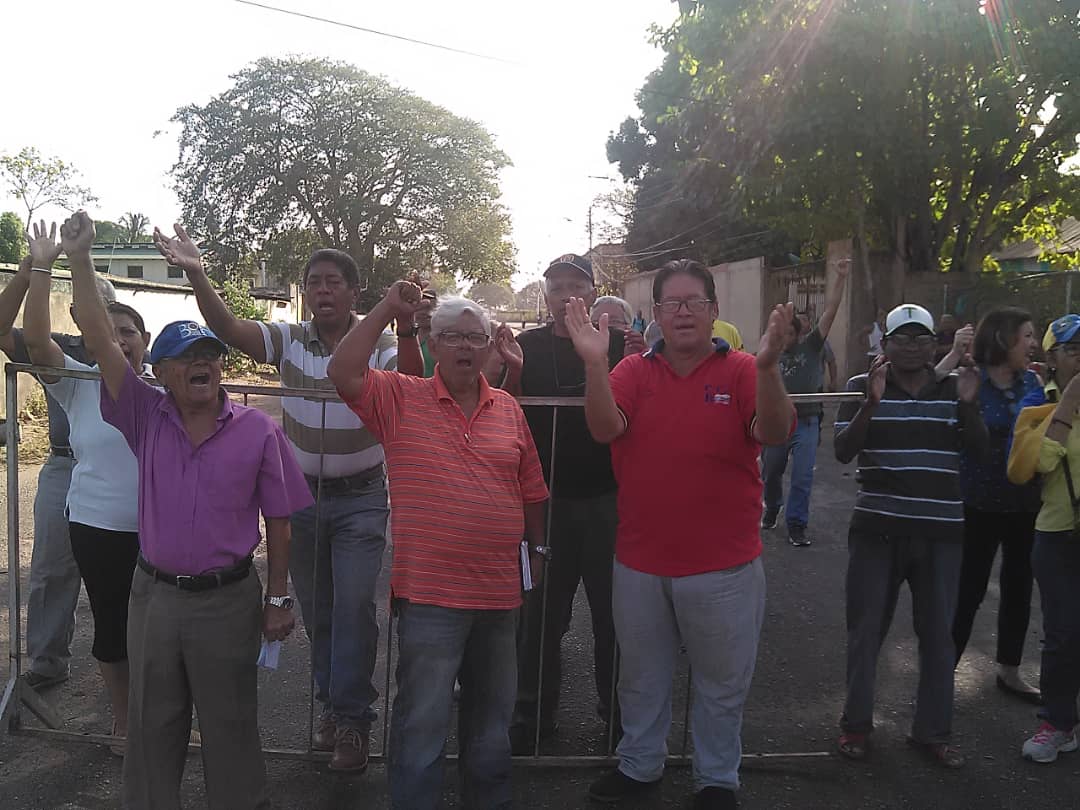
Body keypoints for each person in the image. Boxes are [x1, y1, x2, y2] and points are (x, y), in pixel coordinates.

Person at [59, 211, 310, 809]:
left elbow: (280, 517)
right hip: (155, 598)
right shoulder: (144, 415)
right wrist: (78, 259)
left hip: (228, 600)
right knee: (152, 726)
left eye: (211, 356)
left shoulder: (256, 432)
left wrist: (277, 598)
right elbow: (99, 337)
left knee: (230, 725)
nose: (203, 364)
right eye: (187, 357)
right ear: (163, 373)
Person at [154, 226, 420, 770]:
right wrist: (197, 272)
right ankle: (332, 706)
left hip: (362, 498)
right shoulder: (290, 339)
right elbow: (226, 328)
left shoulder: (381, 344)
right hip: (301, 498)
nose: (322, 291)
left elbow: (412, 384)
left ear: (353, 291)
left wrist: (404, 323)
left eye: (333, 282)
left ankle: (352, 724)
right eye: (313, 283)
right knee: (322, 615)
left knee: (354, 610)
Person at [566, 258, 795, 810]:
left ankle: (717, 780)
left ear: (714, 311)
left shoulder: (743, 369)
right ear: (658, 313)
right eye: (673, 303)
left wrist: (768, 368)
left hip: (725, 566)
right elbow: (603, 429)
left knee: (721, 683)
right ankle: (640, 765)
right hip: (641, 561)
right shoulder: (632, 372)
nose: (685, 312)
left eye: (696, 302)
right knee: (641, 679)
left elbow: (776, 430)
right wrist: (594, 366)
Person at [327, 286, 549, 810]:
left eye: (475, 336)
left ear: (491, 345)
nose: (464, 347)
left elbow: (532, 487)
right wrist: (387, 309)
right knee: (422, 723)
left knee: (491, 726)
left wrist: (538, 552)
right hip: (431, 597)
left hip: (499, 595)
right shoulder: (400, 398)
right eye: (452, 336)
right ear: (432, 341)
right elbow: (343, 371)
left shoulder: (508, 408)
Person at [834, 303, 987, 769]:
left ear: (934, 345)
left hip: (940, 533)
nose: (913, 347)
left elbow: (979, 452)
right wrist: (873, 405)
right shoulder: (862, 387)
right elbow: (843, 450)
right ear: (885, 345)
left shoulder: (953, 387)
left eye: (922, 339)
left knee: (938, 636)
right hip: (877, 530)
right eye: (903, 339)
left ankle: (932, 732)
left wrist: (968, 404)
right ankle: (855, 725)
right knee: (866, 632)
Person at [20, 221, 150, 753]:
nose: (118, 339)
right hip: (97, 529)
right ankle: (123, 720)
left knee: (160, 630)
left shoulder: (164, 390)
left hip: (162, 533)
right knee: (113, 624)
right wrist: (59, 261)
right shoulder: (78, 384)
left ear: (145, 342)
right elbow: (33, 338)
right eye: (109, 330)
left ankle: (159, 716)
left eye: (130, 331)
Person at [500, 255, 624, 754]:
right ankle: (532, 715)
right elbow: (500, 408)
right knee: (539, 616)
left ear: (593, 293)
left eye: (577, 285)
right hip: (541, 502)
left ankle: (617, 718)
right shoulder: (524, 347)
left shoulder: (616, 344)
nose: (567, 294)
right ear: (544, 294)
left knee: (612, 615)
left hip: (607, 499)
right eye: (557, 286)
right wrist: (510, 371)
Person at [0, 254, 117, 691]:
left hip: (119, 469)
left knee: (126, 566)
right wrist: (29, 270)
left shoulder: (130, 349)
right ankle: (47, 662)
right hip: (63, 463)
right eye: (87, 306)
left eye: (103, 306)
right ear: (74, 312)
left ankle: (131, 668)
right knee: (50, 570)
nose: (93, 314)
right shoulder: (58, 349)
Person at [935, 308, 1041, 703]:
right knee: (968, 591)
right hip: (977, 504)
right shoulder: (970, 378)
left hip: (1026, 503)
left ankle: (1009, 671)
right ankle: (943, 671)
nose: (1032, 344)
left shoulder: (1033, 381)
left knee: (1018, 589)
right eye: (1026, 335)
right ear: (1002, 338)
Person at [1008, 314, 1080, 762]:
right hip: (1057, 535)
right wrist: (1067, 404)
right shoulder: (1036, 404)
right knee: (1063, 633)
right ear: (1052, 359)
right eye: (1073, 350)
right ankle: (1056, 722)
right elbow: (1031, 468)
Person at [761, 258, 851, 546]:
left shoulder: (811, 346)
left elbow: (831, 311)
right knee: (771, 472)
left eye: (789, 332)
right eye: (781, 332)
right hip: (778, 422)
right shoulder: (770, 353)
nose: (784, 337)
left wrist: (840, 278)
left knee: (802, 476)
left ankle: (797, 524)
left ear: (798, 333)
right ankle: (772, 507)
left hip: (807, 421)